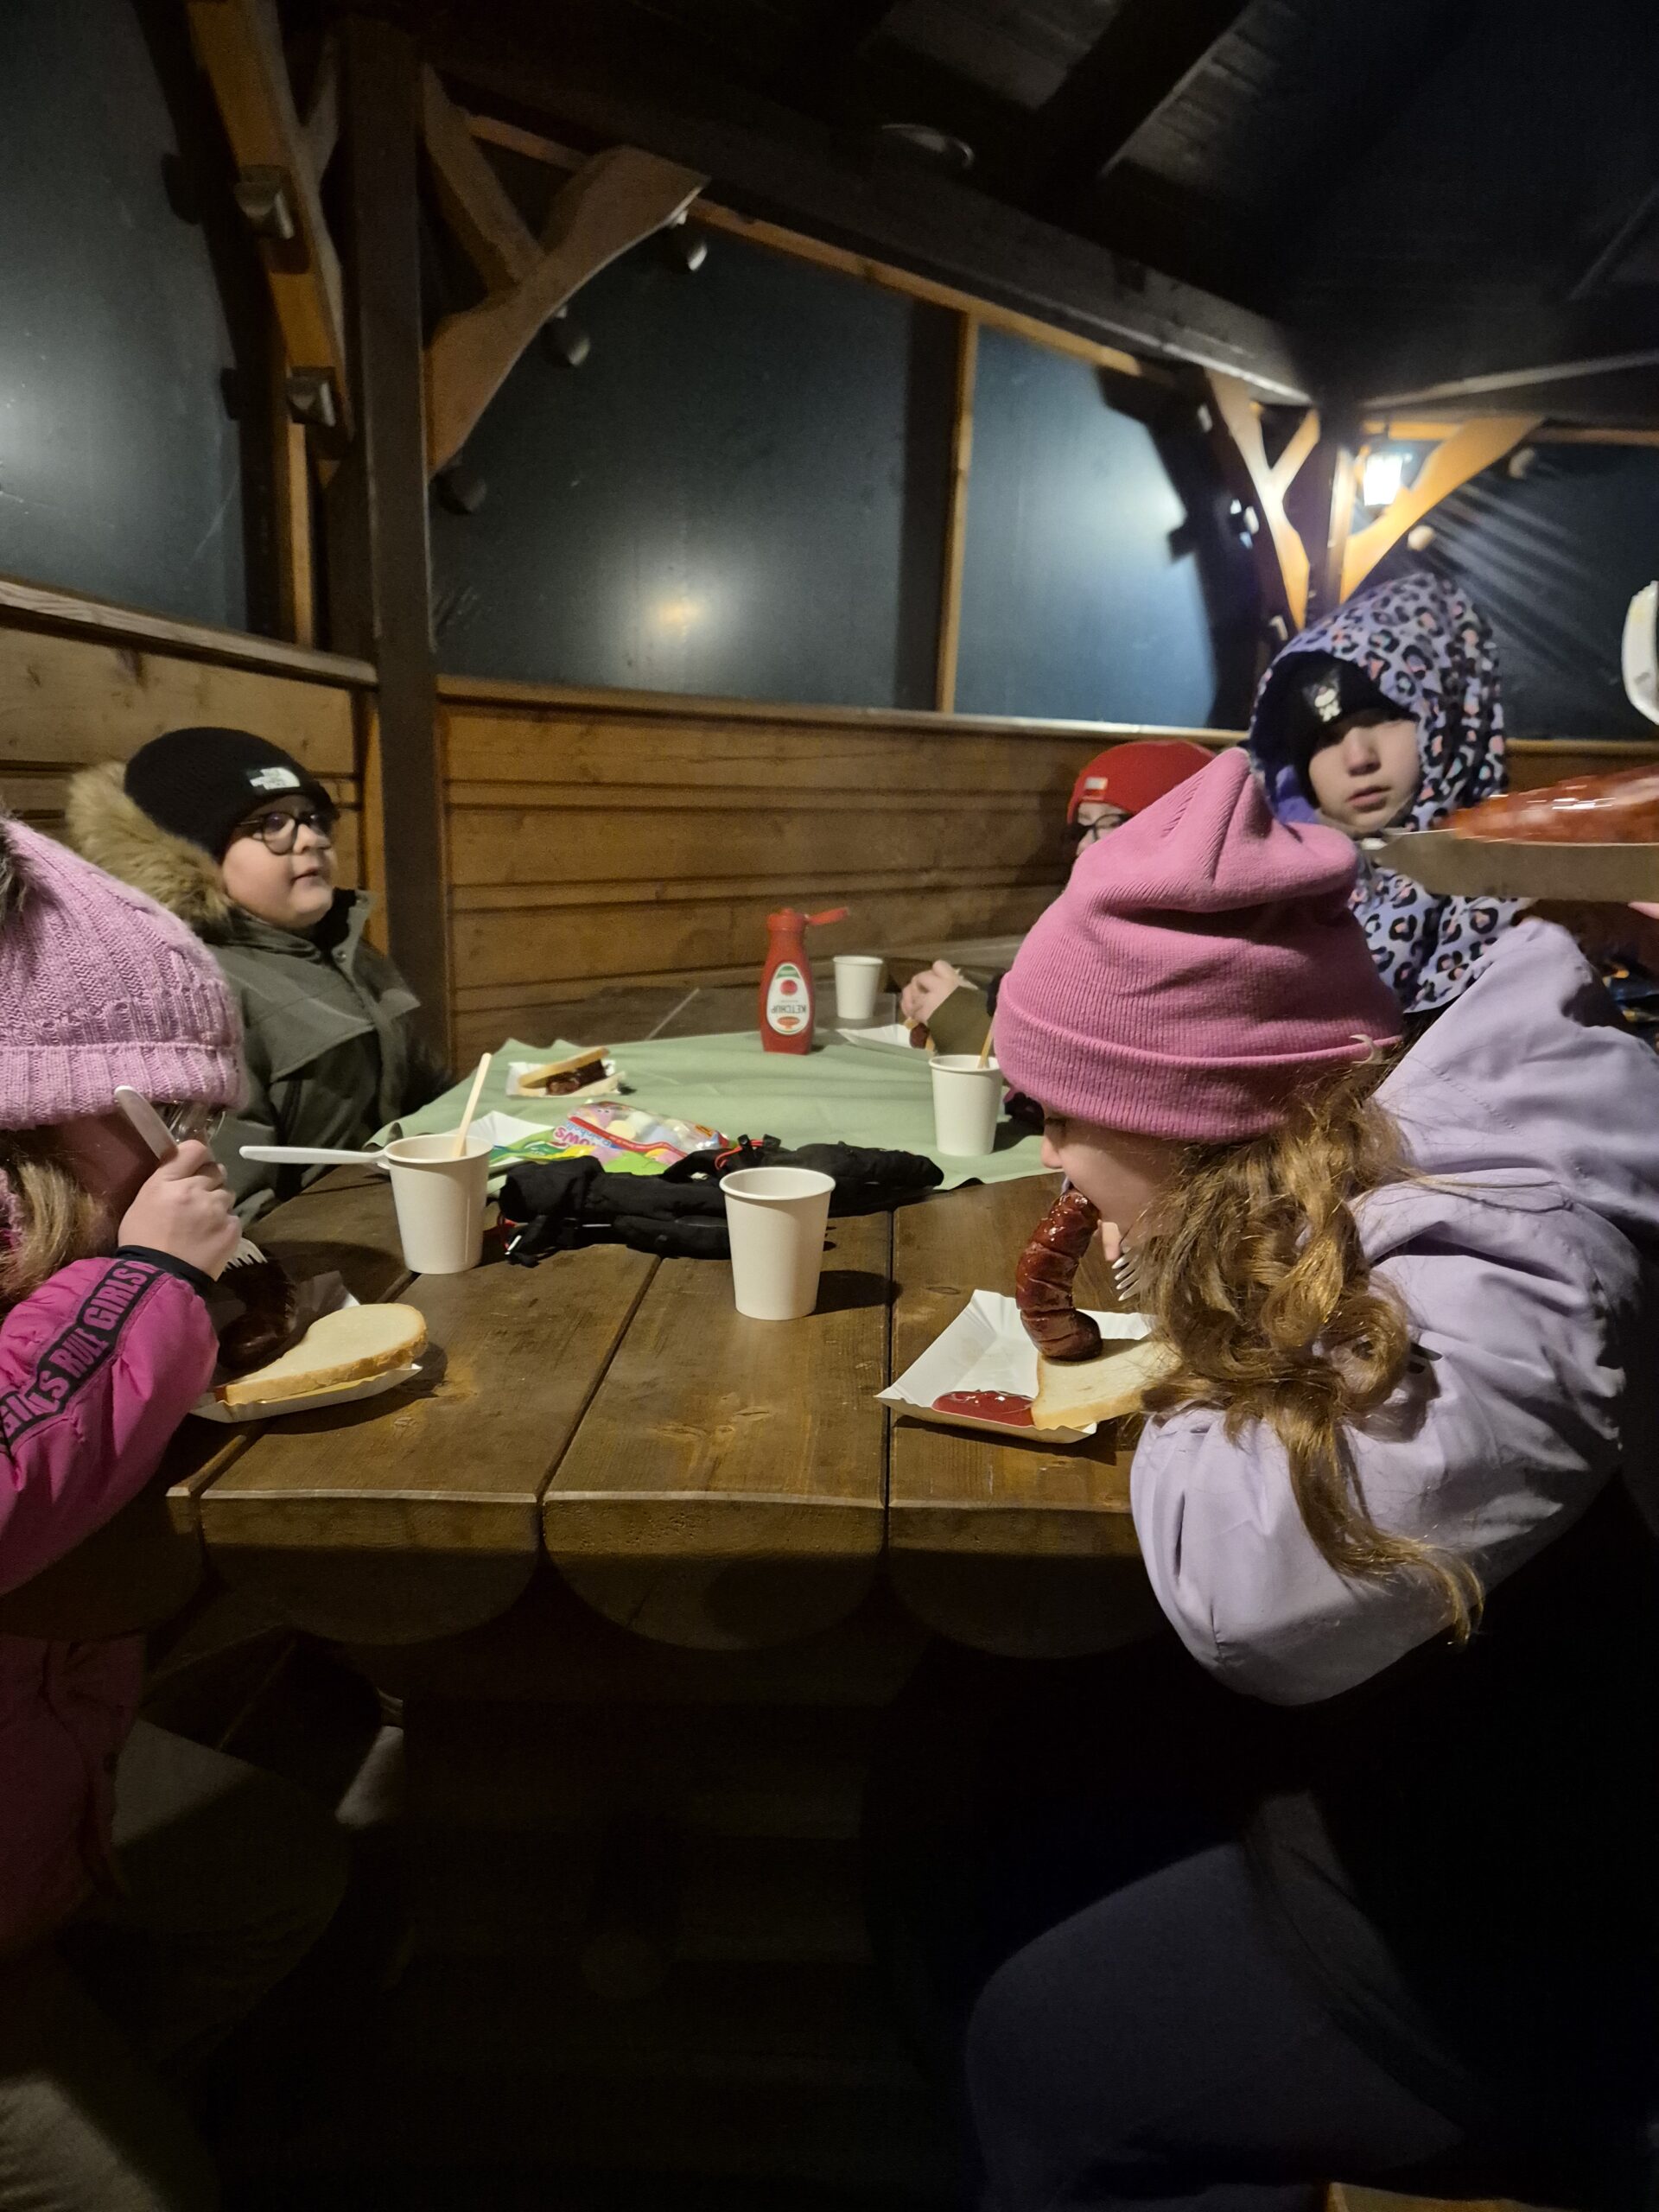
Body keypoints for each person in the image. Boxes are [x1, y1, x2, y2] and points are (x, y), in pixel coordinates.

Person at [967, 747, 1659, 2212]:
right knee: (976, 1772)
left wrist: (1178, 1331)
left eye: (1060, 1109)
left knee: (1040, 2060)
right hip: (1451, 1781)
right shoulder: (1378, 1165)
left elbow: (1258, 1600)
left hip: (1535, 1919)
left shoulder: (1495, 1259)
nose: (1047, 1150)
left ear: (1180, 1115)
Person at [0, 817, 347, 2210]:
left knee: (284, 1874)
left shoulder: (46, 1238)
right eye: (162, 1114)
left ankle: (128, 2079)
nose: (189, 1146)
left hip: (43, 1771)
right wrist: (147, 1285)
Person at [67, 729, 451, 1224]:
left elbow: (430, 1098)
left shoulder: (343, 943)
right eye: (273, 823)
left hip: (404, 1216)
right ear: (194, 856)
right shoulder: (200, 990)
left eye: (313, 819)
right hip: (319, 1253)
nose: (310, 839)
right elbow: (234, 1209)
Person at [1247, 569, 1516, 1021]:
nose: (1358, 759)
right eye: (1326, 739)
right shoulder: (1273, 895)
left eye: (1382, 718)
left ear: (1447, 715)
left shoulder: (1521, 897)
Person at [900, 739, 1211, 1056]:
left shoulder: (1190, 953)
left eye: (1114, 822)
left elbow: (1082, 1068)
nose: (1084, 846)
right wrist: (971, 997)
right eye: (1082, 826)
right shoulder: (1098, 930)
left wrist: (958, 1016)